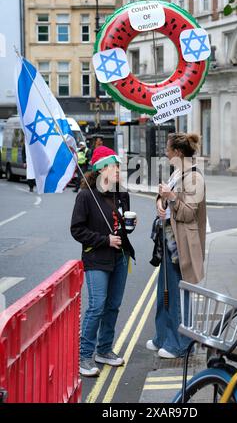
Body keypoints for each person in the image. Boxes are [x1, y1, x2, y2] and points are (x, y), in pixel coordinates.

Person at [70, 146, 136, 376]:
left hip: (120, 257)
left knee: (113, 306)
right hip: (97, 257)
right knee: (97, 306)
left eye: (118, 166)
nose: (118, 170)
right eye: (113, 166)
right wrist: (104, 240)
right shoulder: (86, 195)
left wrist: (129, 228)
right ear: (101, 170)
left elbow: (121, 225)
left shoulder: (122, 193)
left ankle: (104, 350)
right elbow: (77, 230)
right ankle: (84, 356)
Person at [147, 133, 206, 359]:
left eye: (168, 149)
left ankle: (181, 344)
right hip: (169, 240)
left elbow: (188, 213)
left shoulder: (194, 178)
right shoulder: (178, 173)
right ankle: (162, 336)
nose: (166, 152)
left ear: (178, 153)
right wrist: (160, 204)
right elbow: (164, 200)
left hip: (181, 244)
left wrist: (170, 197)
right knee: (164, 291)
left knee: (179, 294)